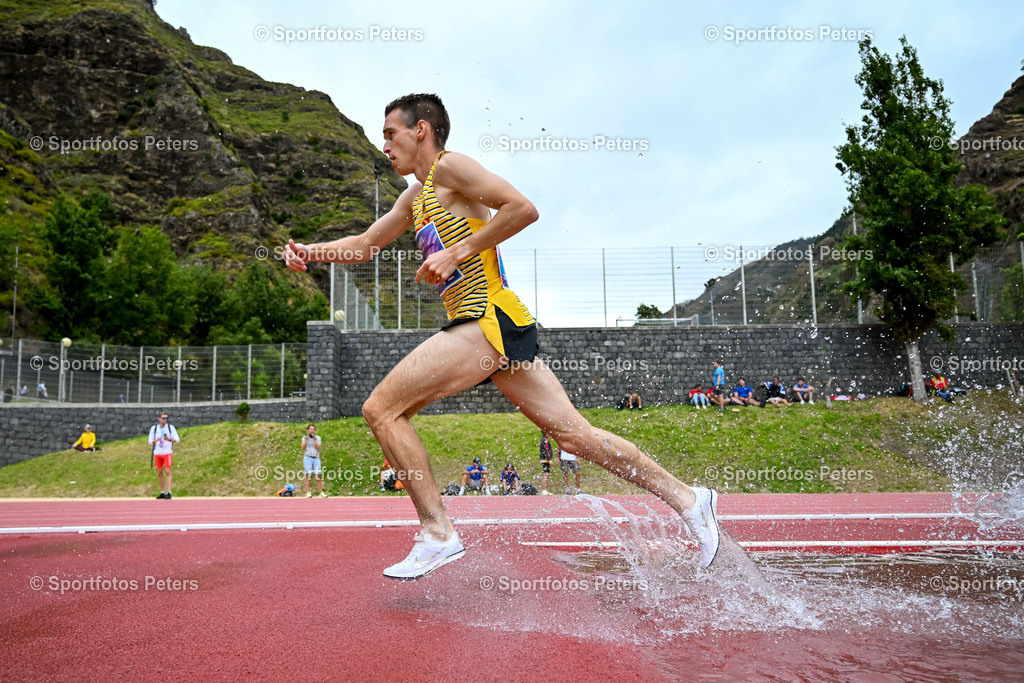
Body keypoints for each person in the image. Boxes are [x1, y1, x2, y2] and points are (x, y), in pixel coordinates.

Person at [282, 93, 720, 579]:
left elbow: (522, 208)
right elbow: (364, 246)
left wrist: (457, 252)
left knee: (380, 409)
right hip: (498, 328)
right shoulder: (414, 197)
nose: (384, 144)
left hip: (485, 318)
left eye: (390, 133)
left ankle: (437, 532)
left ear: (421, 129)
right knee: (575, 436)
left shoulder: (451, 169)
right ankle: (689, 498)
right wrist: (311, 252)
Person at [148, 412, 179, 499]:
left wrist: (168, 439)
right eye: (163, 418)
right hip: (157, 453)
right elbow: (150, 441)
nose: (165, 420)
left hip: (167, 452)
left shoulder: (170, 428)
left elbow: (177, 439)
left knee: (168, 471)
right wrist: (156, 440)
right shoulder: (154, 429)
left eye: (166, 418)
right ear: (159, 419)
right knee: (159, 472)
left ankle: (169, 492)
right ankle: (162, 492)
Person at [301, 424, 325, 497]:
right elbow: (302, 447)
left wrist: (314, 440)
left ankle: (321, 492)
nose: (312, 430)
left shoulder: (318, 438)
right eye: (310, 429)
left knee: (318, 475)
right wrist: (307, 439)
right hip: (308, 458)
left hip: (316, 458)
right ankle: (308, 492)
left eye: (313, 429)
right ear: (308, 430)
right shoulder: (304, 437)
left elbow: (319, 447)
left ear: (315, 430)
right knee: (308, 475)